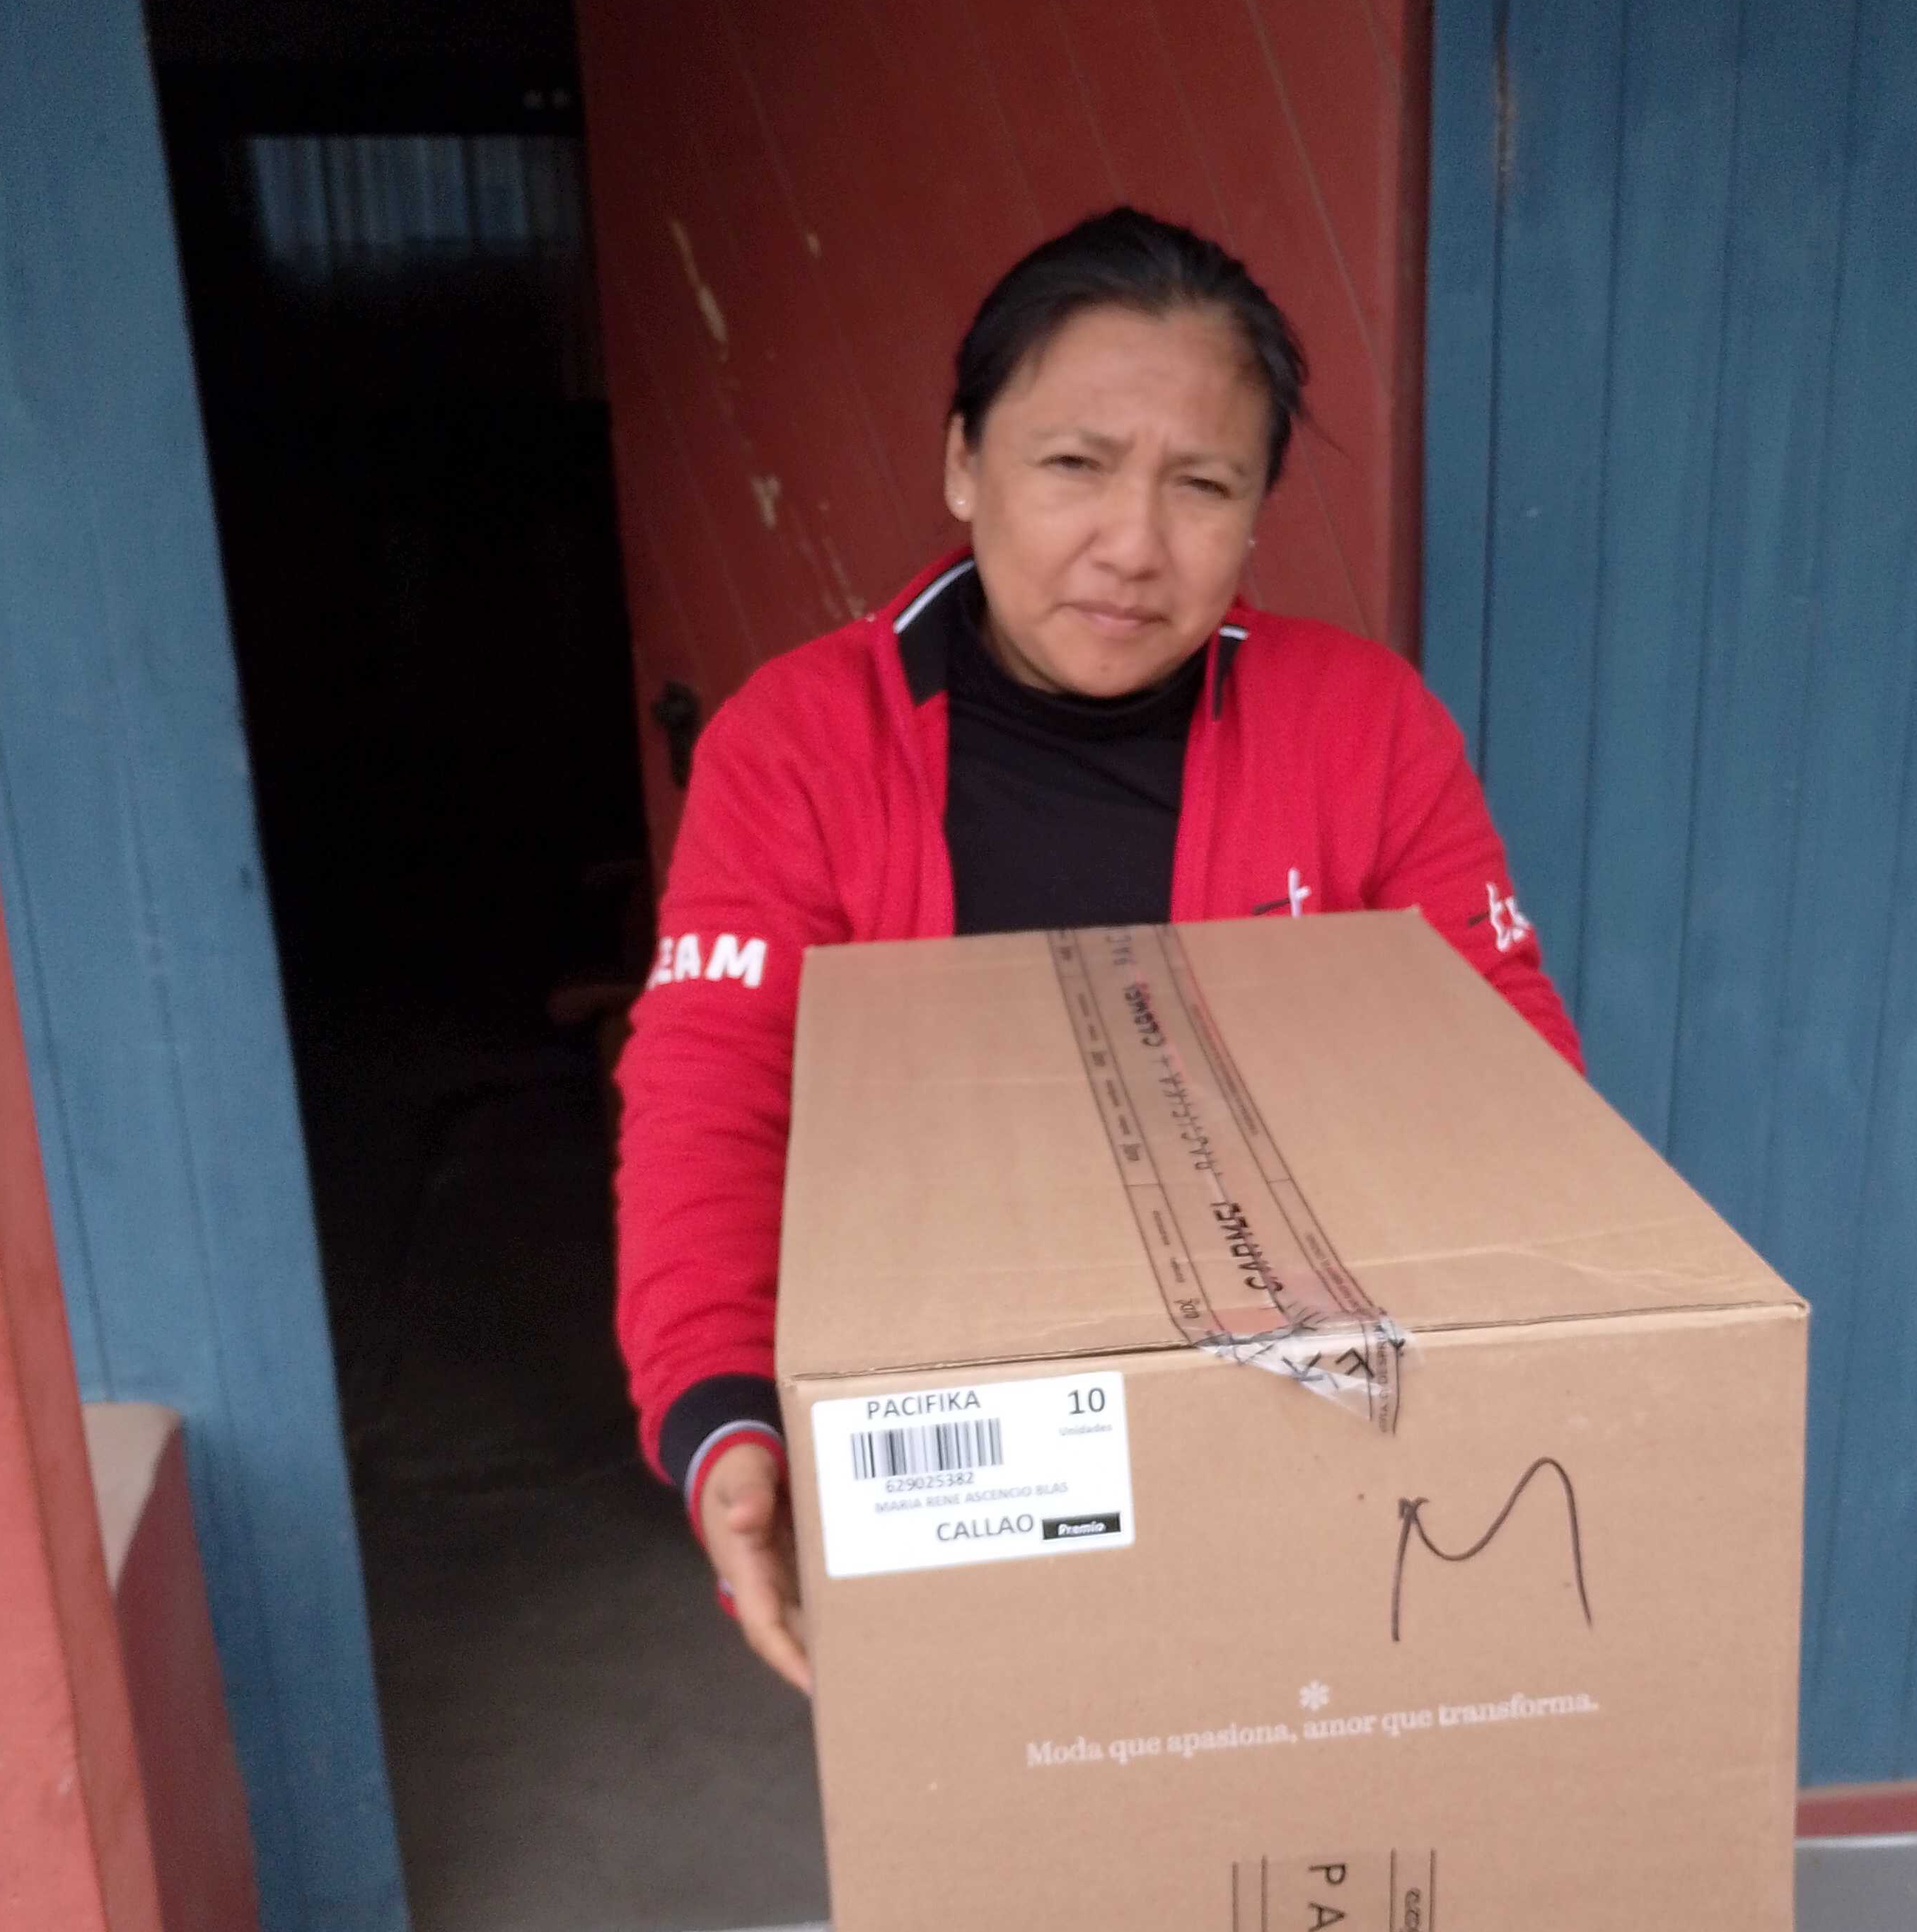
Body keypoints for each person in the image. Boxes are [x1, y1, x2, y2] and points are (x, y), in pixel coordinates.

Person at [615, 208, 1580, 1691]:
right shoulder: (801, 747)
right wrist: (722, 1415)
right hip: (949, 1451)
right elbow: (712, 1093)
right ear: (964, 463)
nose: (1133, 548)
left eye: (1203, 486)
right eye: (1074, 465)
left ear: (1255, 513)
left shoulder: (1363, 729)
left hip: (1295, 1444)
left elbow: (1504, 1074)